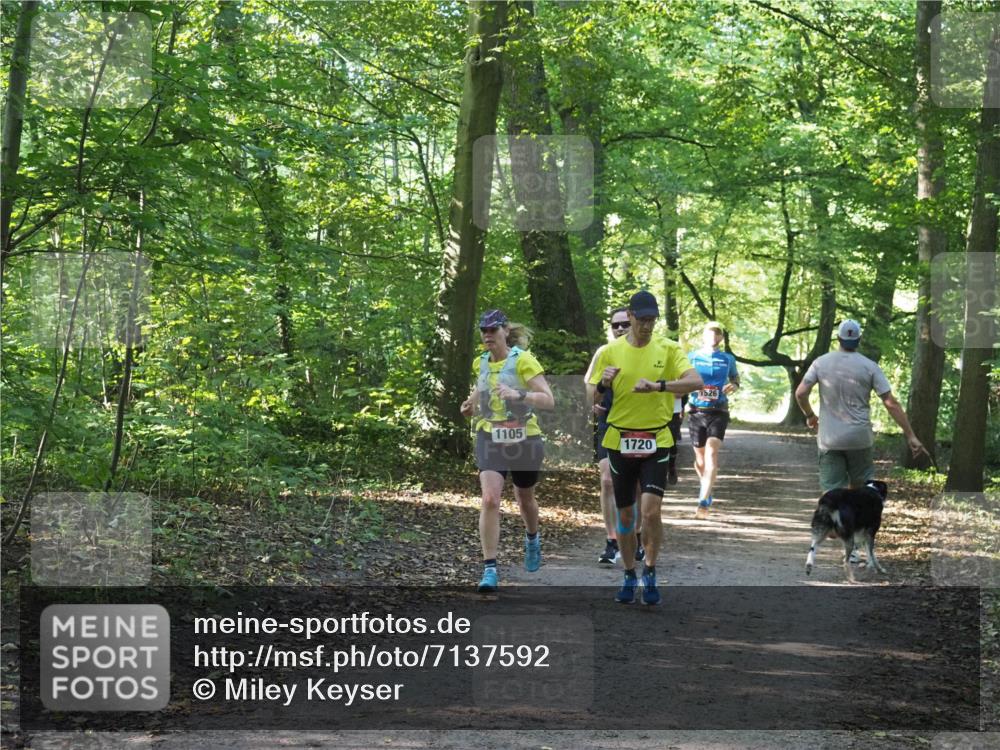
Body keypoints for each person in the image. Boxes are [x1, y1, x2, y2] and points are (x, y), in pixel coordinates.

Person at [588, 291, 703, 605]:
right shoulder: (610, 352)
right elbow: (592, 401)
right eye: (643, 319)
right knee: (626, 515)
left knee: (650, 512)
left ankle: (650, 569)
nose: (648, 325)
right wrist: (602, 385)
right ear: (631, 316)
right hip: (619, 441)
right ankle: (628, 572)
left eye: (653, 319)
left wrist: (659, 386)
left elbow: (696, 382)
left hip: (656, 440)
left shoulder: (667, 349)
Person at [795, 319, 927, 561]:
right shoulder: (870, 366)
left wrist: (810, 415)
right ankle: (853, 549)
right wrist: (911, 435)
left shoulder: (820, 363)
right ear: (858, 340)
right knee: (859, 494)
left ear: (838, 339)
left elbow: (801, 392)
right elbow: (891, 403)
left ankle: (835, 530)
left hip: (830, 439)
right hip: (860, 439)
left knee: (832, 493)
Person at [461, 309, 555, 593]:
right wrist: (469, 406)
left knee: (524, 495)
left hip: (525, 437)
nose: (487, 335)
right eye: (484, 331)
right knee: (490, 499)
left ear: (504, 331)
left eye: (493, 330)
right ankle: (490, 568)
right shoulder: (482, 362)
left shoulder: (524, 360)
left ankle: (532, 538)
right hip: (490, 435)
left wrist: (519, 394)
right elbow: (479, 394)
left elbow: (548, 400)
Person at [584, 307, 643, 565]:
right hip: (609, 421)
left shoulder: (647, 351)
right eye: (614, 325)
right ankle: (611, 541)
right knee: (607, 480)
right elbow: (589, 384)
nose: (619, 329)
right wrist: (593, 400)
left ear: (632, 323)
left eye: (623, 324)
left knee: (637, 483)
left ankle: (636, 538)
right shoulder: (604, 353)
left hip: (639, 422)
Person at [687, 321, 740, 518]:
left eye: (717, 334)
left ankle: (703, 501)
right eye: (710, 333)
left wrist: (733, 386)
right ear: (703, 336)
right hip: (696, 411)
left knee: (711, 454)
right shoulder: (692, 357)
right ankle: (706, 488)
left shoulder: (728, 359)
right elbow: (681, 379)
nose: (713, 337)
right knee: (699, 460)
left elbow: (736, 380)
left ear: (721, 338)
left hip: (719, 411)